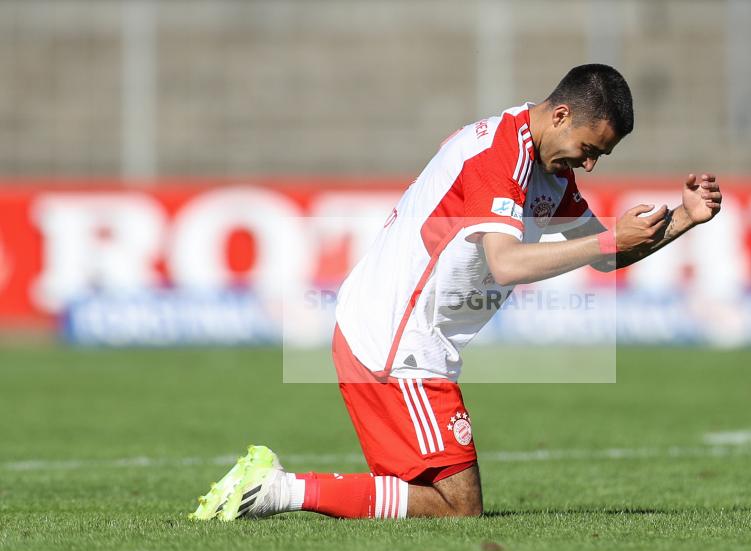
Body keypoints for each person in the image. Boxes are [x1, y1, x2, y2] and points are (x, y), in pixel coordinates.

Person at [190, 64, 723, 521]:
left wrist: (684, 218)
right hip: (396, 341)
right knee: (457, 507)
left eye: (599, 157)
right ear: (561, 115)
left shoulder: (548, 169)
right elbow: (507, 263)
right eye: (588, 149)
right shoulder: (499, 155)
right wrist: (607, 238)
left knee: (426, 500)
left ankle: (276, 489)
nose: (589, 165)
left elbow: (605, 256)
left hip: (405, 337)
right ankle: (274, 489)